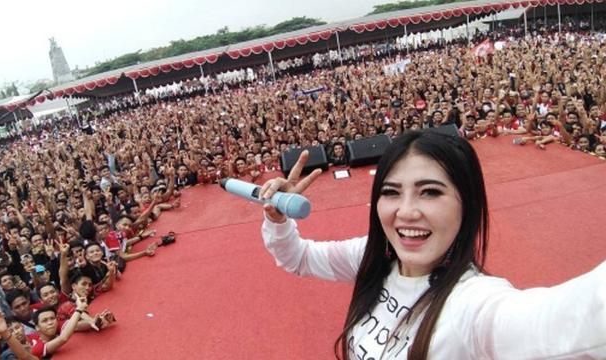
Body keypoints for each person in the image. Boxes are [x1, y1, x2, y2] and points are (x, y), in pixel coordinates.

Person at [259, 130, 606, 359]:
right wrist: (278, 218)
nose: (406, 212)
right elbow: (299, 258)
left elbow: (568, 323)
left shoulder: (472, 305)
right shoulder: (373, 257)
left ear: (466, 202)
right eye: (391, 192)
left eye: (430, 192)